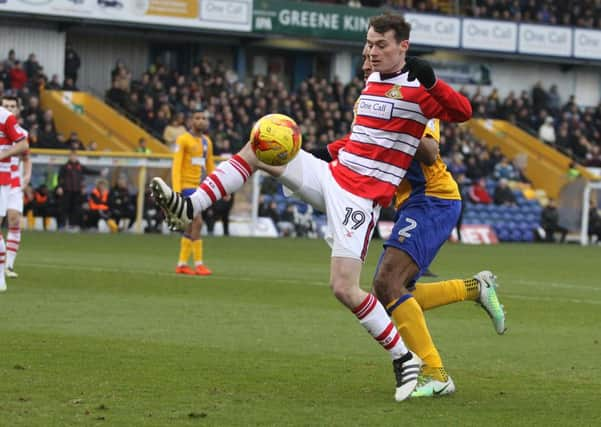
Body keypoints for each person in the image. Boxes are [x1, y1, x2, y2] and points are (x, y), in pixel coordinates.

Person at [151, 12, 472, 401]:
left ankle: (404, 359)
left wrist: (433, 80)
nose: (370, 51)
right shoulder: (370, 81)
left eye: (380, 45)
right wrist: (316, 155)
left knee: (344, 288)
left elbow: (463, 113)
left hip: (361, 199)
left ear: (403, 47)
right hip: (333, 176)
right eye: (368, 43)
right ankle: (191, 205)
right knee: (258, 146)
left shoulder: (420, 89)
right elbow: (361, 140)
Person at [171, 109, 215, 276]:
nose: (201, 120)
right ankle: (198, 264)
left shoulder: (207, 142)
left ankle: (182, 264)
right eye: (198, 118)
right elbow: (176, 166)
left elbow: (210, 165)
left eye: (204, 118)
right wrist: (176, 192)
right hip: (185, 187)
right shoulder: (183, 140)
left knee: (191, 225)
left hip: (198, 187)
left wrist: (221, 187)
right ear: (191, 121)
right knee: (197, 221)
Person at [1, 96, 32, 278]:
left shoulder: (23, 133)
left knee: (13, 219)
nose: (10, 108)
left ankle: (9, 265)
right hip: (2, 179)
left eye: (13, 106)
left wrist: (26, 176)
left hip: (13, 182)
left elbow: (27, 158)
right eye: (6, 105)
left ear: (18, 109)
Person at [57, 149, 101, 230]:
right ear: (69, 157)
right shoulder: (64, 167)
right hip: (67, 190)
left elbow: (89, 171)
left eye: (75, 156)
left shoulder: (79, 166)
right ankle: (62, 225)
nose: (73, 157)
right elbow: (60, 177)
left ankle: (72, 225)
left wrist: (99, 173)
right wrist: (59, 187)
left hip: (77, 191)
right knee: (65, 208)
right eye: (72, 156)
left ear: (77, 157)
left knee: (75, 209)